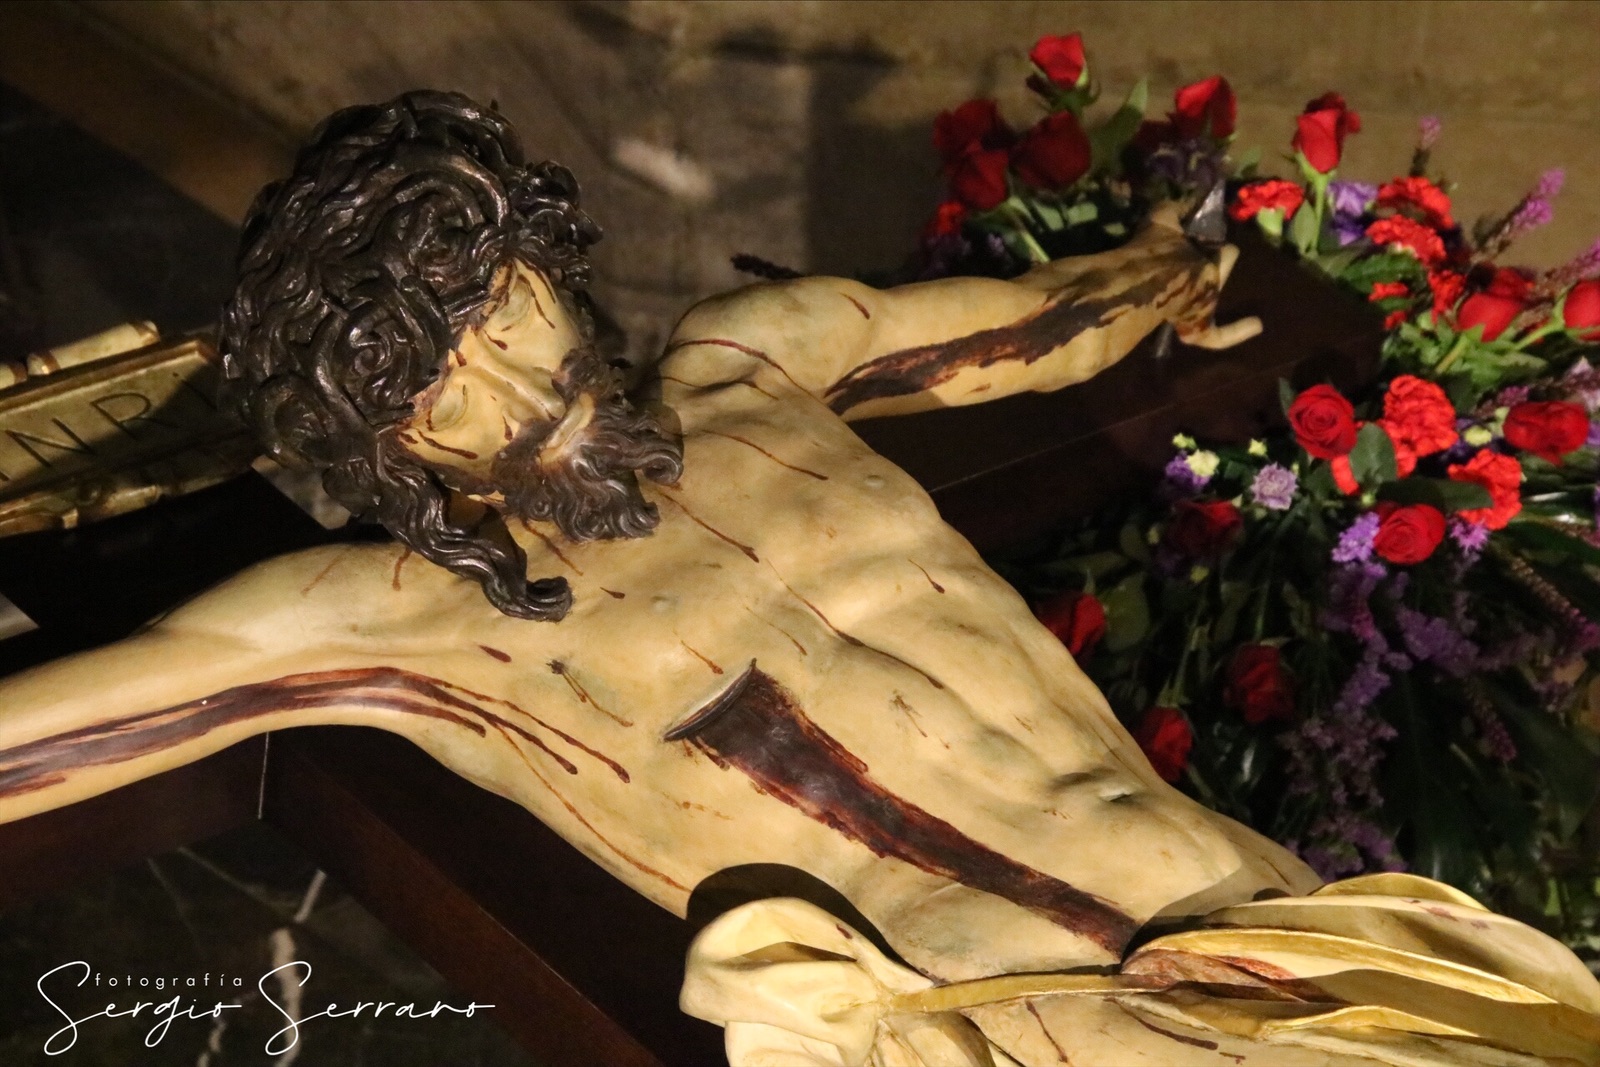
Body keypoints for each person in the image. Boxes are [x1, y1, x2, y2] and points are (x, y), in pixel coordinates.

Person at [2, 93, 1592, 1065]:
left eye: (495, 307)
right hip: (1025, 1012)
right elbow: (66, 726)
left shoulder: (751, 364)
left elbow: (1042, 321)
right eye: (433, 384)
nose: (503, 378)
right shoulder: (405, 622)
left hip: (1280, 915)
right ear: (391, 449)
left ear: (547, 260)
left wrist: (1167, 273)